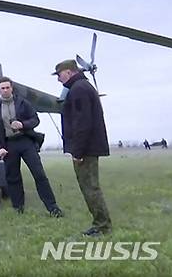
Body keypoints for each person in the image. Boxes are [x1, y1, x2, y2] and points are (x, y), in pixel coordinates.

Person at [54, 59, 112, 236]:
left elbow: (82, 122)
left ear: (69, 72)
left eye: (59, 74)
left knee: (90, 187)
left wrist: (77, 151)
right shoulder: (82, 87)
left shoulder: (78, 89)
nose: (58, 79)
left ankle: (102, 226)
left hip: (86, 149)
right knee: (90, 186)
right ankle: (100, 224)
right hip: (88, 147)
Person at [0, 77, 63, 217]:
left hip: (25, 141)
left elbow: (35, 119)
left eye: (7, 87)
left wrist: (23, 124)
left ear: (12, 88)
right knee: (13, 177)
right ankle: (18, 208)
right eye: (2, 88)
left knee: (39, 174)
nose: (5, 90)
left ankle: (52, 207)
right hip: (8, 144)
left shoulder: (22, 103)